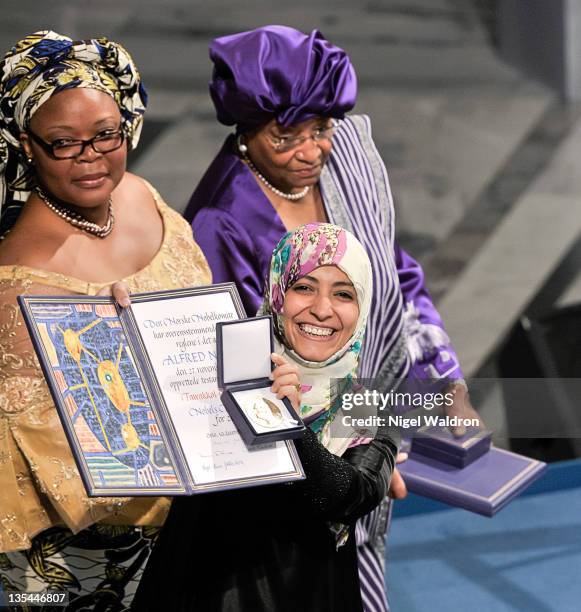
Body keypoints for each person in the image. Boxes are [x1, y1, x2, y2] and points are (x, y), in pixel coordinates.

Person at [184, 25, 475, 611]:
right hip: (293, 464)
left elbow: (396, 274)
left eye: (322, 131)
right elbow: (239, 368)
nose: (312, 152)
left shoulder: (343, 171)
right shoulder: (220, 223)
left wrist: (441, 379)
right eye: (288, 136)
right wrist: (357, 457)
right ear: (246, 131)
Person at [0, 30, 215, 609]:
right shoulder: (19, 281)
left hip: (199, 515)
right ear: (27, 144)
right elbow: (74, 480)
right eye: (63, 143)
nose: (91, 156)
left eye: (105, 135)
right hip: (91, 565)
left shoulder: (143, 196)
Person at [133, 222, 401, 612]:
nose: (322, 310)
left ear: (362, 308)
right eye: (303, 287)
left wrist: (285, 422)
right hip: (196, 588)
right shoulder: (219, 366)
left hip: (303, 595)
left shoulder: (366, 406)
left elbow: (345, 496)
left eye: (343, 294)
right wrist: (127, 322)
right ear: (277, 292)